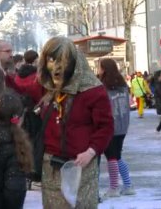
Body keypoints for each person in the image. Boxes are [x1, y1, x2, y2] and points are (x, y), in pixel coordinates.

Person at [37, 36, 113, 208]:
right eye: (51, 60)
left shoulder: (92, 90)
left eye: (63, 61)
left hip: (82, 163)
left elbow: (105, 127)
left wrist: (91, 152)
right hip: (51, 164)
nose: (57, 67)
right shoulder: (46, 87)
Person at [98, 58, 135, 198]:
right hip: (123, 123)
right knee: (117, 156)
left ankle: (114, 188)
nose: (99, 70)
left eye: (100, 67)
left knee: (111, 157)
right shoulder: (122, 84)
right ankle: (128, 185)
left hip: (110, 124)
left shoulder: (104, 86)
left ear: (105, 69)